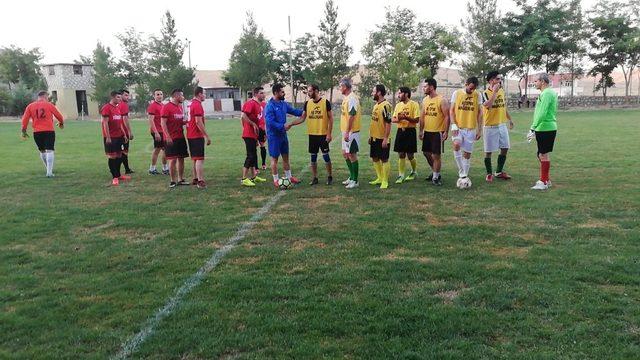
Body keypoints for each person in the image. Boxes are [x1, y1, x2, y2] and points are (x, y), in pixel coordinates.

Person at [286, 84, 334, 185]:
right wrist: (291, 124)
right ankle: (315, 178)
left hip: (323, 134)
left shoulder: (325, 102)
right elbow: (302, 118)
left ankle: (329, 176)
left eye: (310, 91)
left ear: (316, 91)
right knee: (313, 157)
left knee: (326, 156)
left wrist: (329, 134)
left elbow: (331, 118)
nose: (308, 93)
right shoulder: (307, 103)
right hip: (312, 135)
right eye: (308, 91)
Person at [20, 90, 64, 178]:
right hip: (49, 131)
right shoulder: (49, 105)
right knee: (50, 150)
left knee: (42, 150)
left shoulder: (30, 106)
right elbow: (59, 116)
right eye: (47, 97)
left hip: (37, 132)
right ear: (44, 96)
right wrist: (61, 122)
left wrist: (23, 130)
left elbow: (25, 119)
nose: (48, 98)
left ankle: (48, 169)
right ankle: (49, 172)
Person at [267, 83, 304, 187]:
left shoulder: (283, 104)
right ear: (276, 93)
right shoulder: (270, 106)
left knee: (286, 157)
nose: (284, 93)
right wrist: (282, 126)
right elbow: (270, 122)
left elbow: (294, 111)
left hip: (283, 136)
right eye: (282, 92)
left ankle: (289, 177)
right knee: (274, 159)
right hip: (274, 136)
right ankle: (275, 180)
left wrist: (305, 111)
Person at [450, 76, 483, 184]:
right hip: (458, 128)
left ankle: (464, 177)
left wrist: (479, 130)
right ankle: (461, 172)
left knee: (467, 154)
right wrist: (453, 124)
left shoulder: (478, 95)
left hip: (471, 128)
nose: (472, 90)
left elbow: (480, 113)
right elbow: (451, 110)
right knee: (456, 145)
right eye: (470, 88)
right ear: (466, 84)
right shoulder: (457, 93)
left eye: (474, 88)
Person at [482, 71, 514, 182]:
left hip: (502, 125)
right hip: (490, 126)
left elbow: (503, 107)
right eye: (497, 79)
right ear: (491, 80)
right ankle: (489, 173)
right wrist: (494, 92)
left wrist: (510, 119)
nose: (499, 81)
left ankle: (499, 172)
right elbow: (488, 105)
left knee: (505, 148)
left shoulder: (501, 91)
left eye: (500, 79)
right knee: (488, 151)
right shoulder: (485, 93)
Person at [528, 73, 558, 190]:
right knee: (541, 154)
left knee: (543, 154)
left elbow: (542, 113)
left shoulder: (546, 94)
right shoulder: (548, 93)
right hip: (544, 127)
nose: (534, 83)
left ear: (543, 82)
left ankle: (544, 182)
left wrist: (533, 128)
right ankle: (546, 179)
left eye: (536, 81)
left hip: (545, 127)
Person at [419, 78, 450, 186]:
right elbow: (422, 116)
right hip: (427, 132)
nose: (423, 88)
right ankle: (435, 172)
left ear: (431, 87)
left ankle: (436, 177)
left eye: (425, 86)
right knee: (426, 153)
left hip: (437, 132)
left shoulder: (442, 100)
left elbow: (447, 117)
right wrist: (421, 130)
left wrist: (446, 131)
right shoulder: (425, 100)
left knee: (436, 155)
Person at [160, 89, 189, 188]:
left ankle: (181, 179)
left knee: (181, 158)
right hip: (171, 138)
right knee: (172, 160)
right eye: (182, 95)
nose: (183, 97)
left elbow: (179, 121)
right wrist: (167, 136)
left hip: (180, 137)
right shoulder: (167, 107)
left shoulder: (180, 107)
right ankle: (173, 181)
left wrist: (186, 122)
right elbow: (163, 123)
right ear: (176, 96)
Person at [392, 86, 420, 184]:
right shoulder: (398, 105)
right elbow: (393, 119)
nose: (398, 95)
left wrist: (406, 118)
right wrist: (399, 119)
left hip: (410, 131)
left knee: (410, 155)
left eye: (400, 93)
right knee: (401, 154)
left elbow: (417, 119)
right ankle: (401, 175)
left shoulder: (414, 104)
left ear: (406, 94)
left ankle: (413, 171)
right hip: (400, 131)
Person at [240, 87, 268, 187]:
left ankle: (253, 176)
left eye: (263, 93)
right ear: (256, 94)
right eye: (261, 93)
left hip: (253, 134)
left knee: (253, 155)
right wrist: (253, 124)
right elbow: (243, 116)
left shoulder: (258, 104)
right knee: (250, 155)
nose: (263, 95)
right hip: (248, 134)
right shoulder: (251, 103)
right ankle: (244, 179)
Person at [101, 91, 130, 186]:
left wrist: (124, 134)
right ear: (112, 97)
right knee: (112, 157)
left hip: (119, 136)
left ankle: (118, 175)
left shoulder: (117, 108)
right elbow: (105, 123)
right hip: (111, 137)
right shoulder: (106, 108)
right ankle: (114, 177)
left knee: (119, 155)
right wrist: (108, 137)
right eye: (118, 97)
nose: (120, 99)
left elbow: (120, 123)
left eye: (120, 97)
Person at [339, 78, 362, 189]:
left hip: (352, 132)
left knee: (352, 154)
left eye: (340, 86)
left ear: (345, 87)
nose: (340, 88)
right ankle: (351, 176)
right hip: (346, 131)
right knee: (345, 154)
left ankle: (355, 180)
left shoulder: (352, 98)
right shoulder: (346, 98)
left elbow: (352, 115)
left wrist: (348, 132)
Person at [368, 84, 393, 189]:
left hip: (383, 138)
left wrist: (385, 138)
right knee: (374, 158)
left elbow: (388, 123)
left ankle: (385, 181)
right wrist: (370, 136)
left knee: (384, 159)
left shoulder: (386, 105)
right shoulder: (376, 105)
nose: (372, 93)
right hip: (374, 137)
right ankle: (379, 177)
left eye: (373, 91)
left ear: (379, 92)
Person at [187, 86, 211, 189]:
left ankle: (195, 178)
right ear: (200, 94)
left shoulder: (191, 104)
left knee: (195, 159)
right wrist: (206, 135)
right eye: (204, 93)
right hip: (196, 135)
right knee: (200, 159)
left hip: (190, 134)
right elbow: (198, 121)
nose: (205, 95)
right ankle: (200, 181)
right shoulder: (197, 105)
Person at [147, 89, 169, 175]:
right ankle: (152, 169)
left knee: (165, 149)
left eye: (161, 94)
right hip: (157, 131)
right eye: (157, 94)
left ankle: (165, 168)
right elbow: (151, 120)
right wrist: (156, 132)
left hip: (163, 131)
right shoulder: (153, 106)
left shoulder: (163, 105)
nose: (159, 96)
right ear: (154, 96)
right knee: (157, 149)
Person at [118, 89, 134, 174]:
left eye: (128, 95)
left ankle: (127, 169)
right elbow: (125, 119)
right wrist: (129, 132)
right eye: (126, 95)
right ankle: (118, 170)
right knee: (124, 151)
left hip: (118, 131)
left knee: (122, 151)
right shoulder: (123, 105)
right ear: (121, 96)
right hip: (122, 132)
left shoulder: (118, 105)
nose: (127, 97)